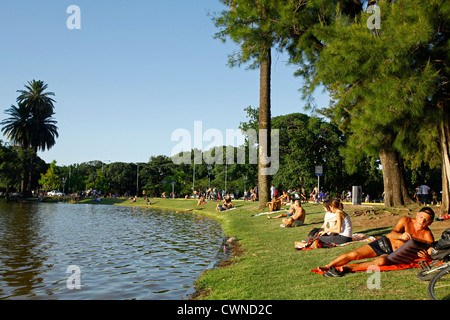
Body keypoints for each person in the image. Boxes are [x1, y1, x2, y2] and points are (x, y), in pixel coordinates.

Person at [318, 207, 435, 277]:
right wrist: (401, 235)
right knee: (355, 254)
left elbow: (429, 252)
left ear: (430, 223)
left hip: (394, 255)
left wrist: (425, 256)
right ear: (417, 215)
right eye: (421, 217)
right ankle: (328, 266)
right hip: (384, 243)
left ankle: (350, 269)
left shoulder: (428, 236)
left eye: (426, 220)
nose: (422, 221)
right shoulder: (406, 221)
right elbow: (391, 234)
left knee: (381, 261)